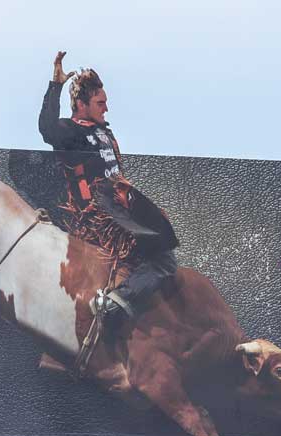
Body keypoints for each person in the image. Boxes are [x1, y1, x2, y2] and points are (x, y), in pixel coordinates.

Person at [38, 51, 179, 328]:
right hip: (98, 220)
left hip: (119, 213)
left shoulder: (105, 132)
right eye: (100, 103)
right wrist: (55, 86)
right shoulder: (71, 132)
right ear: (81, 103)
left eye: (105, 103)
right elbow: (46, 129)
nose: (106, 109)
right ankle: (111, 305)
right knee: (164, 261)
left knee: (164, 242)